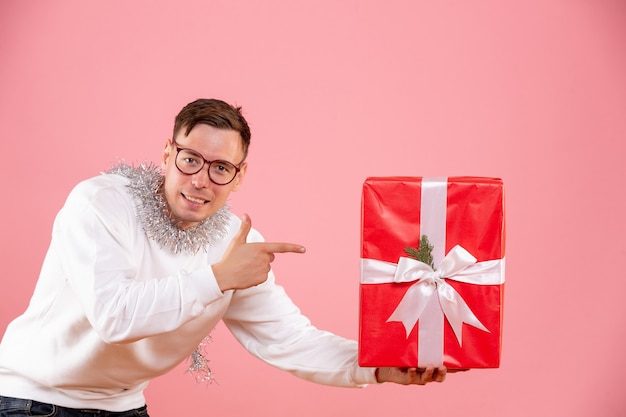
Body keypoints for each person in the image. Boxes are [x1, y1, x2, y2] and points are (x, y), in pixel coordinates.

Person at [0, 98, 449, 417]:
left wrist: (376, 366)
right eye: (190, 160)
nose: (200, 180)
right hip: (32, 401)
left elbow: (288, 339)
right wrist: (217, 279)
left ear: (239, 177)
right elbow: (114, 317)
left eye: (220, 168)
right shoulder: (101, 203)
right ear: (167, 154)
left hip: (123, 406)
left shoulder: (235, 242)